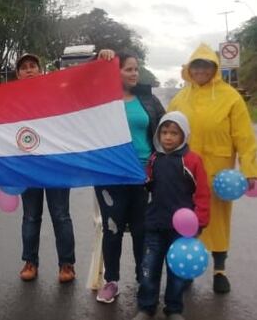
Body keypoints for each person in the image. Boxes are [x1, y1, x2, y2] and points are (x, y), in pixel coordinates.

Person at [168, 44, 257, 294]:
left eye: (205, 65)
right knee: (188, 217)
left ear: (214, 69)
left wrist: (250, 169)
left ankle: (220, 270)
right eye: (196, 65)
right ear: (189, 69)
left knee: (218, 220)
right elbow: (167, 132)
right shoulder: (180, 98)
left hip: (219, 172)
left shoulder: (230, 97)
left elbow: (244, 137)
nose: (200, 70)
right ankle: (187, 270)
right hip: (186, 171)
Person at [94, 50, 165, 303]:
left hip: (144, 178)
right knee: (112, 230)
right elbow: (79, 91)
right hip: (110, 177)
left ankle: (143, 278)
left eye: (136, 69)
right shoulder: (101, 100)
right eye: (128, 69)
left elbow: (165, 132)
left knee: (141, 230)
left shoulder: (148, 101)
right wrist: (100, 60)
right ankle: (111, 281)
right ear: (116, 72)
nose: (135, 73)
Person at [133, 112, 210, 320]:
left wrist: (200, 221)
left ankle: (174, 309)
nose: (168, 137)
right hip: (155, 224)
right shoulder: (154, 158)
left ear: (183, 135)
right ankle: (146, 307)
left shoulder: (192, 160)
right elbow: (148, 184)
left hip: (182, 231)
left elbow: (202, 193)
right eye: (164, 132)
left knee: (176, 274)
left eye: (174, 133)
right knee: (148, 268)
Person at [13, 54, 77, 284]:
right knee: (30, 217)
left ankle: (67, 265)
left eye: (33, 66)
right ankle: (30, 262)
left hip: (56, 166)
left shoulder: (56, 94)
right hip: (26, 167)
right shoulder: (10, 99)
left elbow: (81, 92)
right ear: (18, 74)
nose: (29, 70)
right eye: (24, 68)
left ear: (40, 70)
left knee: (61, 216)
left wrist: (103, 60)